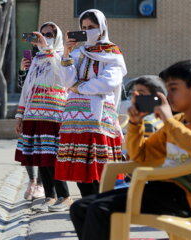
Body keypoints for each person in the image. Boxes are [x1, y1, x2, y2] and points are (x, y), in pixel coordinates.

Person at [69, 60, 191, 240]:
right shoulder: (178, 122)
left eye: (173, 89)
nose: (168, 96)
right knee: (80, 208)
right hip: (160, 190)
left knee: (99, 209)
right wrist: (135, 124)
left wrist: (168, 120)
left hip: (183, 198)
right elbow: (140, 156)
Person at [55, 9, 127, 197]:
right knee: (80, 172)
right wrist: (66, 53)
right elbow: (66, 81)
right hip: (75, 118)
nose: (88, 31)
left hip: (98, 118)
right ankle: (88, 211)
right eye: (84, 28)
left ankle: (99, 212)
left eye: (92, 27)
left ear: (102, 28)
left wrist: (79, 88)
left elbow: (107, 82)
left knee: (99, 170)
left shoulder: (112, 53)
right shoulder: (78, 52)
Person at [15, 22, 71, 212]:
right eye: (42, 34)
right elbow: (27, 88)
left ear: (57, 37)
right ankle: (49, 196)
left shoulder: (62, 55)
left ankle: (64, 196)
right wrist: (20, 115)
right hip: (34, 113)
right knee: (41, 157)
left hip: (54, 113)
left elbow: (62, 76)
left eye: (49, 34)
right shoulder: (37, 59)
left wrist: (46, 47)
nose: (45, 37)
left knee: (53, 157)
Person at [17, 55, 44, 201]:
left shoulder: (52, 60)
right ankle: (32, 180)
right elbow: (23, 89)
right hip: (29, 112)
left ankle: (40, 183)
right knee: (28, 148)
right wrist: (22, 71)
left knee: (42, 148)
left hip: (49, 112)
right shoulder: (34, 65)